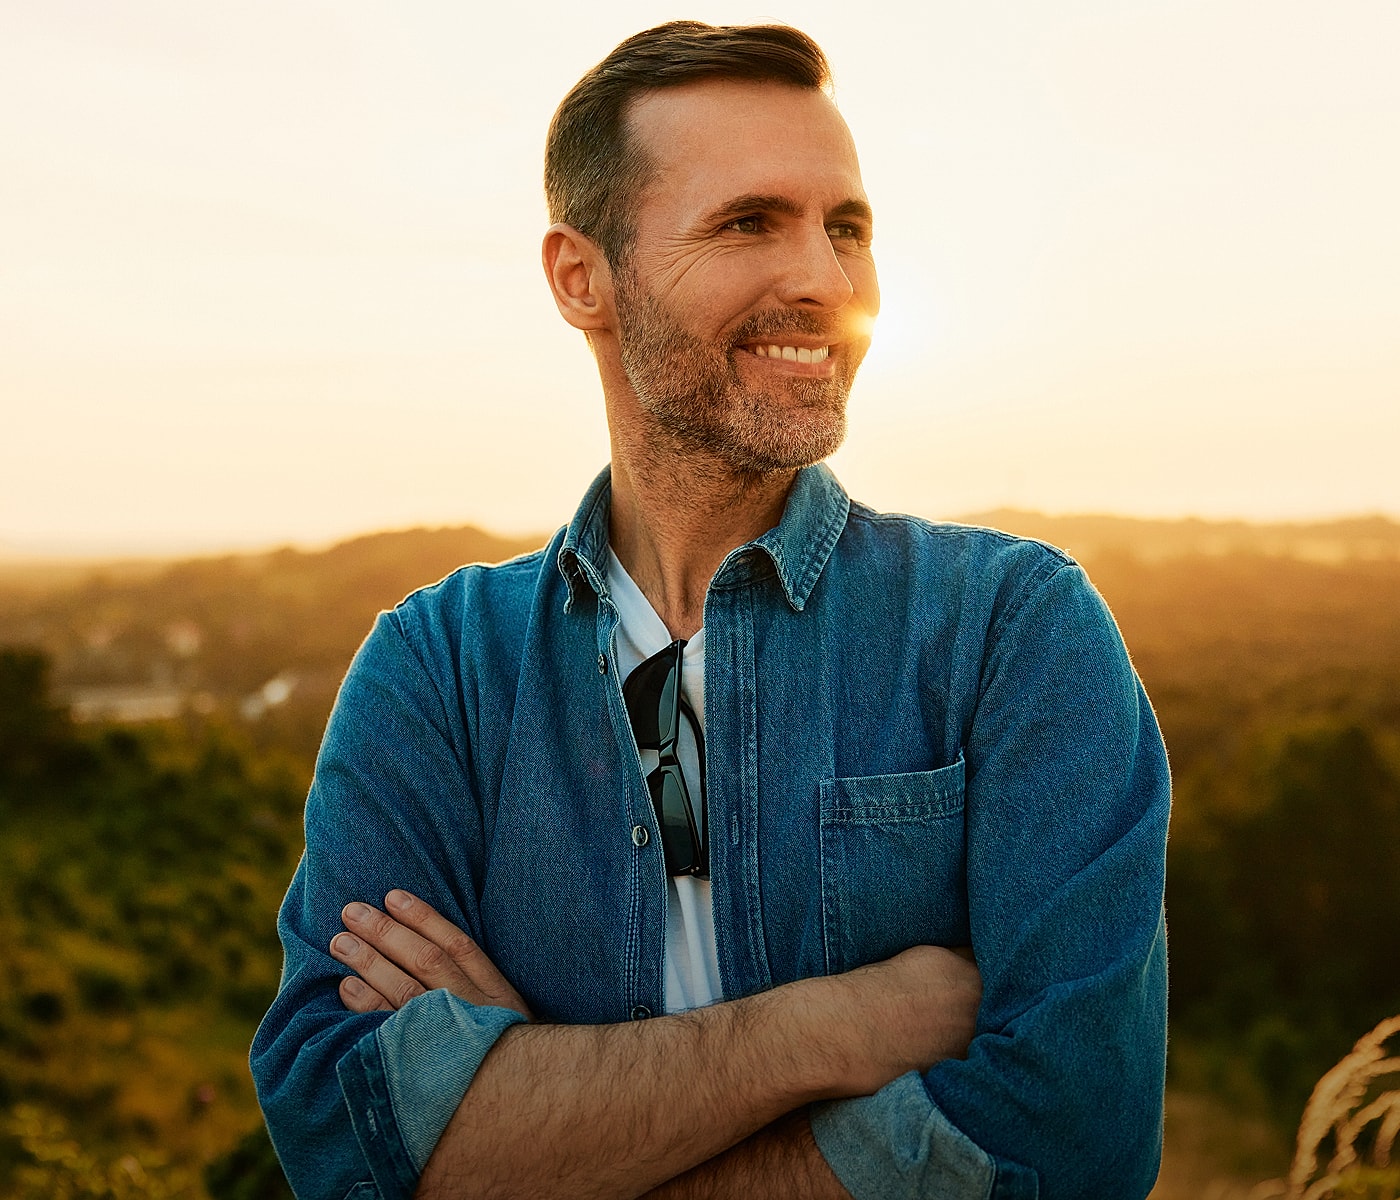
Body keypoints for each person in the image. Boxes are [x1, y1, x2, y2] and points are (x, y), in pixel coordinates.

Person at [251, 20, 1169, 1200]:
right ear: (581, 278)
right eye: (749, 222)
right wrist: (830, 1030)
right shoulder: (437, 669)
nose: (827, 284)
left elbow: (1072, 1138)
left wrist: (534, 1117)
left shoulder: (1009, 632)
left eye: (845, 229)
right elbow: (341, 1132)